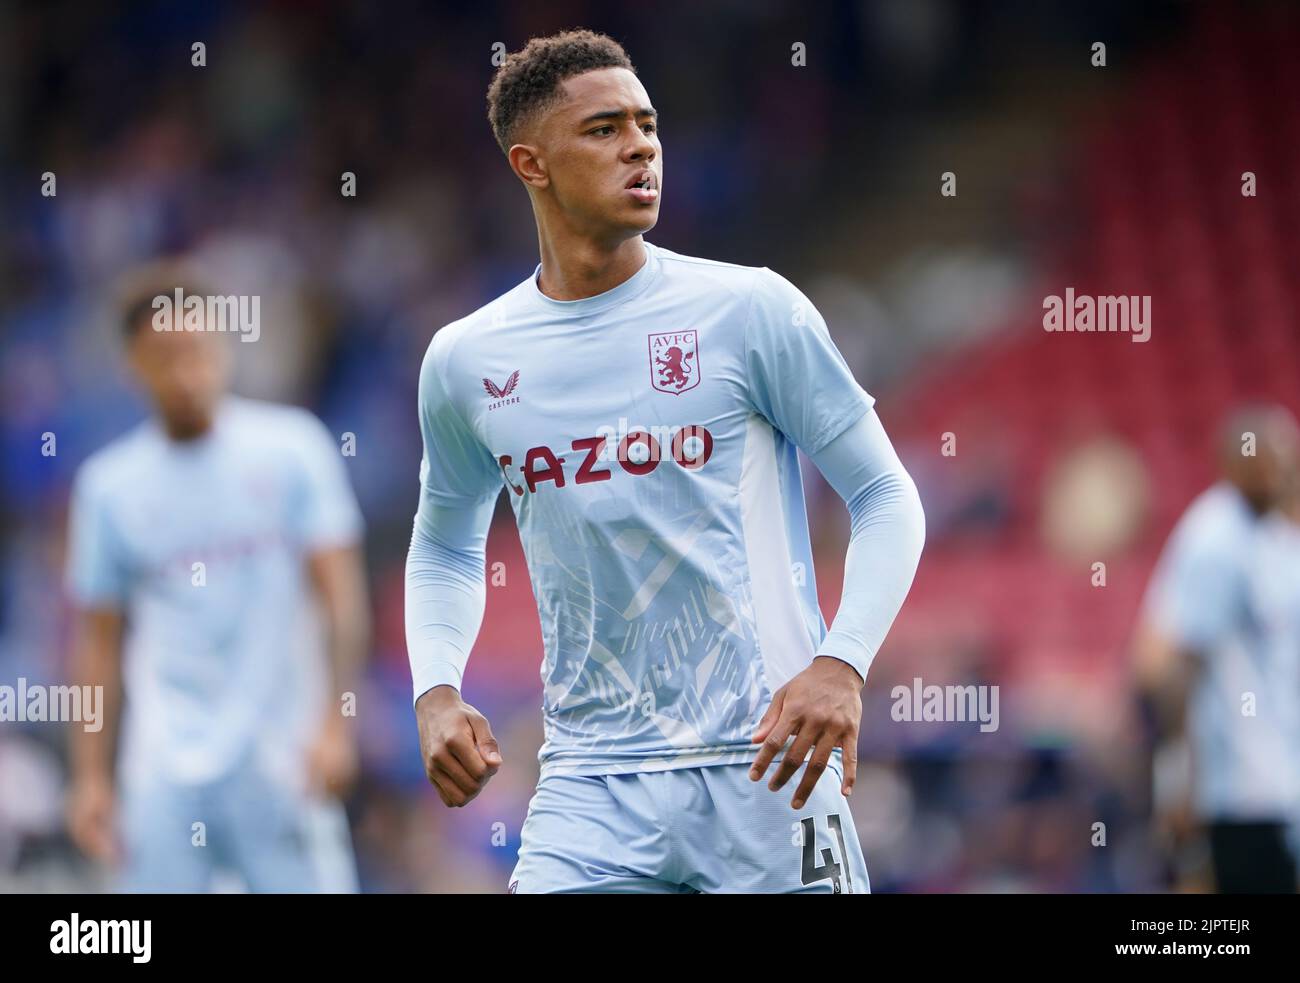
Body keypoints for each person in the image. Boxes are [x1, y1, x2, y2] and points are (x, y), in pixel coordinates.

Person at [405, 30, 925, 893]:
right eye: (604, 129)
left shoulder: (750, 310)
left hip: (767, 764)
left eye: (647, 124)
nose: (641, 145)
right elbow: (446, 546)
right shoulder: (467, 360)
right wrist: (435, 689)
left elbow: (884, 493)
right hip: (590, 781)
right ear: (531, 164)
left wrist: (843, 661)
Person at [65, 263, 369, 892]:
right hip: (164, 769)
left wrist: (337, 722)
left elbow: (341, 600)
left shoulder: (293, 450)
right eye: (164, 355)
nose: (185, 371)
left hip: (282, 757)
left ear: (223, 346)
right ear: (133, 365)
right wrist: (91, 777)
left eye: (197, 349)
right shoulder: (108, 488)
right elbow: (97, 645)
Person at [1137, 404, 1300, 893]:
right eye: (1267, 459)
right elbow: (1172, 669)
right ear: (1234, 463)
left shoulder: (1273, 535)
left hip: (1276, 782)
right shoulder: (1214, 539)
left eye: (1286, 458)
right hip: (1233, 794)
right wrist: (1177, 786)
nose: (1280, 470)